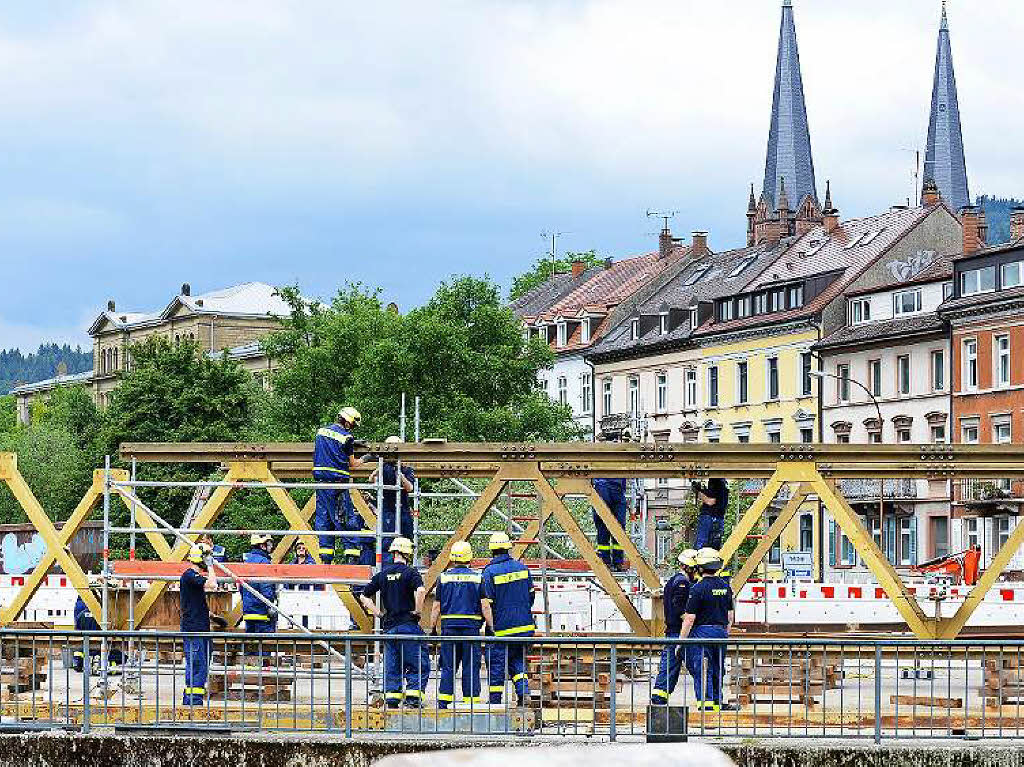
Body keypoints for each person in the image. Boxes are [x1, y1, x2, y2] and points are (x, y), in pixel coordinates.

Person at [359, 537, 430, 708]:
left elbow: (364, 596)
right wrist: (418, 611)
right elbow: (420, 591)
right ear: (407, 553)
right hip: (408, 625)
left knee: (393, 665)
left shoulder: (382, 574)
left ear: (393, 553)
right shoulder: (411, 573)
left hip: (389, 627)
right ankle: (413, 699)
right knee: (417, 664)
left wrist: (379, 614)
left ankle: (392, 700)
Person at [481, 531, 535, 707]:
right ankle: (523, 693)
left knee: (496, 665)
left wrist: (490, 626)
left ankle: (495, 702)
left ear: (492, 550)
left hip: (502, 629)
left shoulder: (489, 572)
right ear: (508, 548)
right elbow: (531, 597)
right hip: (524, 628)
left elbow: (487, 604)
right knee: (517, 661)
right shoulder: (522, 568)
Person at [429, 540, 483, 709]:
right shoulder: (477, 578)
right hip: (471, 628)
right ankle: (471, 702)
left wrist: (432, 629)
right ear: (469, 558)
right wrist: (490, 626)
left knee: (448, 666)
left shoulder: (443, 578)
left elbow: (436, 606)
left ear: (452, 558)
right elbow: (485, 605)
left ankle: (444, 701)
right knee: (471, 665)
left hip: (449, 628)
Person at [312, 406, 369, 564]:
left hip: (321, 484)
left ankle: (326, 558)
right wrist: (368, 457)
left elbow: (331, 445)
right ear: (349, 422)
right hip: (337, 484)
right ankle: (352, 557)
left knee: (324, 519)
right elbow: (353, 464)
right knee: (346, 519)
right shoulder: (347, 438)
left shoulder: (321, 432)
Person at [680, 547, 734, 712]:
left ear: (700, 567)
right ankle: (717, 703)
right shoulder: (725, 587)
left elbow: (689, 618)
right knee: (718, 668)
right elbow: (730, 617)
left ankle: (707, 707)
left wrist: (680, 642)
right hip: (720, 632)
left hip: (702, 633)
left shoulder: (697, 588)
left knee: (703, 669)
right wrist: (725, 633)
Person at [651, 549, 698, 705]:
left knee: (669, 666)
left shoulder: (673, 580)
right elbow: (678, 607)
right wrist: (689, 622)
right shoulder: (682, 583)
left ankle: (659, 697)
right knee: (698, 666)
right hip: (680, 632)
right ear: (687, 567)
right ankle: (708, 699)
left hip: (673, 631)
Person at [180, 542, 217, 706]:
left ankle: (192, 701)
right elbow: (212, 585)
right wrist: (211, 567)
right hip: (194, 629)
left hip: (200, 627)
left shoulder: (193, 578)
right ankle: (193, 703)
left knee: (201, 665)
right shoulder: (189, 576)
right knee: (197, 665)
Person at [592, 431, 631, 571]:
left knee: (607, 528)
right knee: (615, 527)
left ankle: (608, 561)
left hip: (607, 488)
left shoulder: (599, 451)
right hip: (610, 488)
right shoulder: (618, 451)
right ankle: (614, 561)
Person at [373, 436, 416, 562]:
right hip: (388, 510)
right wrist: (379, 468)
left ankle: (405, 566)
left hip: (402, 509)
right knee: (387, 542)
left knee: (406, 539)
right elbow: (372, 479)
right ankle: (388, 567)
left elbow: (409, 488)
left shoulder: (406, 469)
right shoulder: (384, 467)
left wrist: (400, 476)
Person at [72, 580, 124, 675]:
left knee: (80, 653)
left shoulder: (80, 613)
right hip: (100, 646)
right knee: (122, 657)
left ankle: (87, 664)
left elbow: (77, 628)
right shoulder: (100, 615)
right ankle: (106, 666)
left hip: (85, 645)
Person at [242, 533, 278, 642]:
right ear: (262, 546)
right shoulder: (264, 562)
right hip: (262, 613)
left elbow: (241, 587)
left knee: (250, 647)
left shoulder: (246, 562)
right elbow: (266, 587)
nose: (270, 546)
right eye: (268, 543)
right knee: (264, 648)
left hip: (248, 612)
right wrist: (271, 604)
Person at [691, 478, 729, 550]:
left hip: (709, 518)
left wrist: (697, 492)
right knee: (714, 546)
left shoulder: (715, 481)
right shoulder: (723, 483)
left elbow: (710, 501)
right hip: (719, 519)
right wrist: (702, 490)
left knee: (701, 545)